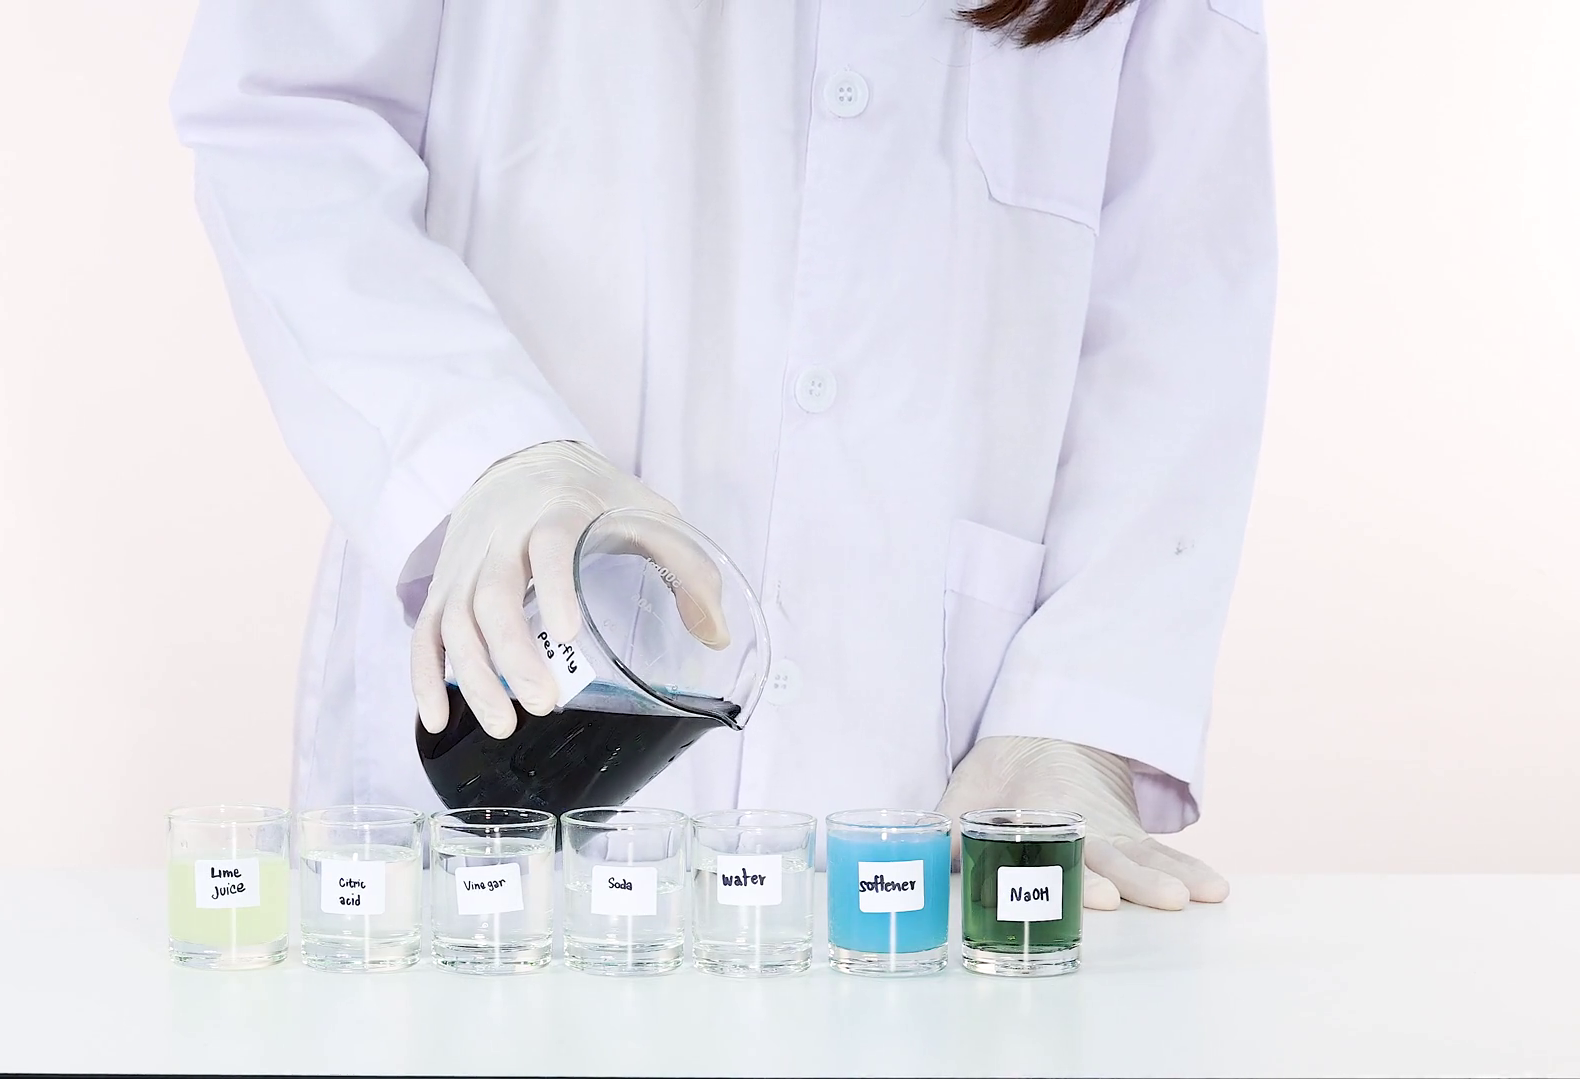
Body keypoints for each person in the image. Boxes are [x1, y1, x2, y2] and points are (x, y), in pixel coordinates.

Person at [171, 0, 1273, 911]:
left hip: (928, 775)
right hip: (516, 689)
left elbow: (1177, 306)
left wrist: (1072, 720)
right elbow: (287, 113)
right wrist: (479, 448)